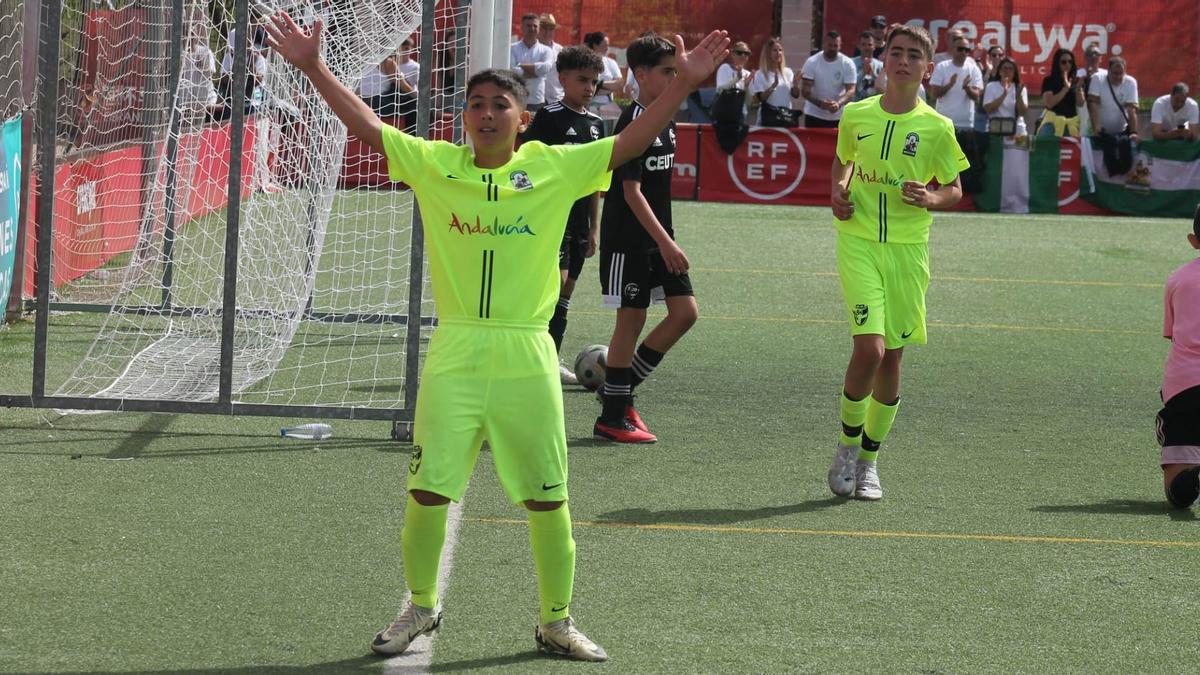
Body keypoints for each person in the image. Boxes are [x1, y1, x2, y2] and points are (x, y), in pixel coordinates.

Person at [263, 7, 729, 660]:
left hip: (526, 353)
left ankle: (556, 621)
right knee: (428, 489)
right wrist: (313, 67)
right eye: (476, 104)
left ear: (521, 117)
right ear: (464, 118)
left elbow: (626, 146)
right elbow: (366, 126)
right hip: (455, 351)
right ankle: (420, 607)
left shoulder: (552, 167)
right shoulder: (435, 165)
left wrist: (680, 88)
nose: (486, 114)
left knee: (547, 495)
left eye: (500, 104)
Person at [827, 24, 968, 500]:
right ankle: (846, 447)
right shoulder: (856, 114)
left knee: (894, 357)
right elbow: (843, 161)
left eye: (913, 55)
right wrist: (838, 191)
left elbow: (954, 188)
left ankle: (869, 460)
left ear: (928, 68)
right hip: (859, 241)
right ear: (882, 60)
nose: (903, 61)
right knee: (871, 349)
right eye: (896, 53)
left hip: (908, 251)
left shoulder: (937, 127)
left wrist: (931, 196)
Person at [594, 35, 701, 444]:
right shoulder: (634, 121)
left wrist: (666, 239)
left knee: (684, 314)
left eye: (676, 71)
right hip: (629, 239)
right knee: (632, 318)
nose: (674, 78)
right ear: (640, 74)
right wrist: (667, 242)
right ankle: (611, 417)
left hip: (659, 237)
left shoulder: (664, 116)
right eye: (667, 71)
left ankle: (617, 390)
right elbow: (629, 192)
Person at [523, 47, 608, 384]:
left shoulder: (597, 125)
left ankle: (550, 362)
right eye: (582, 80)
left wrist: (595, 228)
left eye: (594, 82)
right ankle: (534, 359)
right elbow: (528, 163)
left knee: (567, 292)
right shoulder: (549, 115)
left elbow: (596, 182)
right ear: (563, 79)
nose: (589, 87)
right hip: (551, 217)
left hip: (579, 222)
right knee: (553, 289)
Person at [1158, 205, 1200, 510]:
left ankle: (1189, 476)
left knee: (1178, 495)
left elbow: (1173, 334)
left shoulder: (1178, 279)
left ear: (1193, 240)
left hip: (1186, 388)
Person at [800, 31, 858, 128]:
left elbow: (851, 90)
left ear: (840, 46)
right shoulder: (812, 62)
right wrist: (820, 104)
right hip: (814, 115)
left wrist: (838, 104)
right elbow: (805, 91)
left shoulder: (847, 63)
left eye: (835, 45)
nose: (832, 48)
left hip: (838, 116)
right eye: (829, 45)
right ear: (824, 44)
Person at [928, 34, 982, 131]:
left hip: (965, 125)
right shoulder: (942, 67)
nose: (963, 52)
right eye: (960, 49)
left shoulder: (973, 69)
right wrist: (950, 85)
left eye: (967, 50)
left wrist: (967, 88)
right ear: (952, 49)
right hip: (943, 123)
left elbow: (977, 97)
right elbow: (934, 94)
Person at [749, 36, 800, 127]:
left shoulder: (787, 72)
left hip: (785, 119)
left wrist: (796, 85)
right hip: (768, 120)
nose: (778, 53)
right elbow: (759, 98)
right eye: (774, 50)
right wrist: (773, 87)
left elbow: (795, 95)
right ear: (768, 53)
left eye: (780, 50)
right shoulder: (760, 74)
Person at [510, 13, 555, 112]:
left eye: (535, 26)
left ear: (539, 29)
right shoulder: (512, 48)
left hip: (537, 101)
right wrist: (536, 72)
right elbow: (512, 71)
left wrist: (521, 66)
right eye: (528, 25)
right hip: (516, 99)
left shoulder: (546, 50)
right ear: (522, 27)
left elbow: (546, 68)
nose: (532, 28)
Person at [1087, 56, 1139, 137]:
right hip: (1101, 131)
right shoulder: (1097, 78)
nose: (1118, 77)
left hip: (1122, 132)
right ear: (1108, 71)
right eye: (1115, 73)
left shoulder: (1131, 82)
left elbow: (1131, 110)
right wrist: (1096, 128)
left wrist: (1133, 132)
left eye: (1120, 73)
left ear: (1125, 71)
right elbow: (1093, 105)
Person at [1039, 48, 1084, 137]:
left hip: (1071, 124)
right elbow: (1049, 104)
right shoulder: (1049, 80)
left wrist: (1079, 88)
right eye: (1063, 62)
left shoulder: (1076, 81)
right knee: (1046, 149)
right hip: (1052, 124)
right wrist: (1065, 89)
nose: (1067, 64)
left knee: (1072, 150)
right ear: (1057, 64)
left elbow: (1080, 103)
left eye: (1070, 62)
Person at [982, 57, 1028, 138]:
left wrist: (1018, 96)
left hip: (1017, 131)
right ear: (1000, 71)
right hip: (996, 130)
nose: (1007, 71)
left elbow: (1022, 113)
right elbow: (988, 109)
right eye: (1005, 68)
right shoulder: (991, 86)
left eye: (1011, 69)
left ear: (1014, 73)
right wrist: (1004, 95)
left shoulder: (1020, 88)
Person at [584, 31, 623, 115]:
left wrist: (599, 84)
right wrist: (609, 88)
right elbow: (585, 87)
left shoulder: (611, 62)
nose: (607, 48)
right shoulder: (585, 62)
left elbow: (619, 83)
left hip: (608, 106)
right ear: (595, 45)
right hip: (589, 106)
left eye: (608, 45)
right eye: (604, 45)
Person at [538, 13, 565, 105]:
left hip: (555, 98)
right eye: (544, 29)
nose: (547, 32)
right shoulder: (531, 49)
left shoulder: (560, 50)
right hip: (535, 99)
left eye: (551, 29)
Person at [852, 32, 884, 102]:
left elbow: (884, 89)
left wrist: (874, 75)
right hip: (856, 104)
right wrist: (863, 72)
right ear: (859, 46)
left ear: (874, 46)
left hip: (873, 105)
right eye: (863, 44)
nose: (867, 47)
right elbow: (850, 86)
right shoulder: (851, 63)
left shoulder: (881, 66)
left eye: (869, 44)